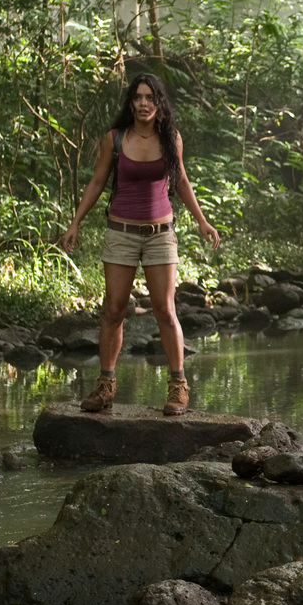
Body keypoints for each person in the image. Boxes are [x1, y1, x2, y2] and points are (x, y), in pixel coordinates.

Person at [60, 72, 221, 416]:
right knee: (114, 310)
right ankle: (105, 387)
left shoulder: (170, 139)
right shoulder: (115, 139)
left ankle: (178, 387)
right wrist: (74, 223)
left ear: (159, 102)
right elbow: (98, 182)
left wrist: (202, 221)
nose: (144, 103)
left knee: (165, 309)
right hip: (120, 233)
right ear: (130, 103)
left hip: (161, 235)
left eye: (150, 97)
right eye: (138, 97)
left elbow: (181, 183)